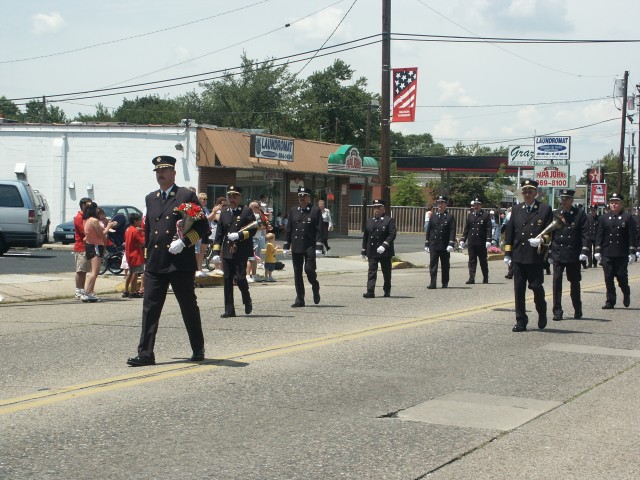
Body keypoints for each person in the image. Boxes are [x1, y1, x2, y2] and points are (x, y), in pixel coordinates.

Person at [126, 155, 209, 367]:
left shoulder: (185, 195)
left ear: (173, 173)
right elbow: (151, 231)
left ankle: (198, 347)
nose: (161, 174)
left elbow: (202, 228)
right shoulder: (150, 198)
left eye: (164, 170)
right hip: (155, 263)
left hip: (179, 263)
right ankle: (145, 353)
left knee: (188, 307)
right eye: (157, 171)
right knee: (149, 308)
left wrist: (184, 242)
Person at [504, 179, 553, 332]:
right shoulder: (516, 209)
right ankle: (521, 321)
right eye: (524, 191)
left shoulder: (544, 209)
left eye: (530, 191)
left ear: (535, 193)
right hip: (519, 255)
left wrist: (540, 240)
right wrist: (507, 253)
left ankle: (542, 310)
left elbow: (551, 232)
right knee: (519, 290)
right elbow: (510, 232)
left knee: (536, 287)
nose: (527, 194)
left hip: (534, 257)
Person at [211, 186, 257, 318]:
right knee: (227, 279)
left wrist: (239, 235)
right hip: (227, 250)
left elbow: (254, 228)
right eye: (229, 196)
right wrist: (215, 252)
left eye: (234, 196)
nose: (232, 199)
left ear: (240, 197)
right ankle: (229, 309)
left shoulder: (246, 211)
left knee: (240, 277)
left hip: (241, 249)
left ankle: (246, 298)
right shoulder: (224, 212)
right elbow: (219, 234)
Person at [549, 189, 589, 321]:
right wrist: (549, 252)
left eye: (566, 199)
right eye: (562, 199)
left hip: (572, 254)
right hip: (558, 252)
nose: (564, 201)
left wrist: (584, 250)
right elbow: (551, 233)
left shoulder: (579, 214)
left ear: (572, 200)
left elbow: (584, 234)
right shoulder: (556, 213)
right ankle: (557, 310)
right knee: (557, 282)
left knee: (574, 282)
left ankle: (577, 307)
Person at [283, 186, 323, 307]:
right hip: (296, 246)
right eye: (300, 196)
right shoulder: (294, 210)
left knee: (309, 270)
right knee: (297, 272)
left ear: (309, 198)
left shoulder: (315, 211)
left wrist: (319, 247)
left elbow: (319, 230)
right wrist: (286, 245)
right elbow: (289, 229)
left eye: (304, 196)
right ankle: (300, 299)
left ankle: (315, 286)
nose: (302, 198)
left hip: (309, 245)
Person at [595, 192, 637, 309]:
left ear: (621, 204)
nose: (614, 205)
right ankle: (610, 301)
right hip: (607, 252)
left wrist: (632, 251)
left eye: (616, 203)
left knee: (621, 276)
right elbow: (600, 234)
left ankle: (626, 292)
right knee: (608, 277)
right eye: (612, 203)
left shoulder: (627, 217)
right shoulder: (604, 218)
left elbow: (631, 235)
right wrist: (597, 250)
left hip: (621, 253)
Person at [361, 199, 397, 298]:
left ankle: (387, 290)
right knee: (372, 271)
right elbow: (366, 236)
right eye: (375, 207)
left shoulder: (389, 220)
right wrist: (364, 250)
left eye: (378, 207)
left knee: (386, 272)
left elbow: (392, 234)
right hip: (372, 250)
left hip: (384, 251)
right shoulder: (370, 221)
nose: (376, 209)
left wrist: (384, 245)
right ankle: (370, 291)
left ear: (383, 209)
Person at [82, 202, 117, 303]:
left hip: (89, 245)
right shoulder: (94, 221)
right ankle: (87, 292)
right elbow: (101, 235)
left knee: (94, 271)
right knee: (95, 271)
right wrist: (109, 226)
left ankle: (90, 292)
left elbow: (86, 236)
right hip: (96, 245)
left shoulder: (86, 220)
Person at [424, 195, 456, 289]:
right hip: (434, 244)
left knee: (445, 265)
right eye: (438, 203)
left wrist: (451, 243)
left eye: (442, 203)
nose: (440, 205)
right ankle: (432, 283)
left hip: (444, 244)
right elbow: (429, 230)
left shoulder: (450, 217)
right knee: (433, 264)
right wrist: (427, 243)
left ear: (445, 204)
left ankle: (444, 282)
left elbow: (452, 230)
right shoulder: (433, 216)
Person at [459, 197, 492, 284]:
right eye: (475, 205)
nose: (476, 206)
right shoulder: (470, 215)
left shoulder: (485, 215)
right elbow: (467, 228)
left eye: (478, 205)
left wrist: (488, 240)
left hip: (481, 242)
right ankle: (471, 278)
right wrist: (463, 239)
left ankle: (485, 277)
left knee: (483, 261)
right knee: (472, 261)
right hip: (472, 241)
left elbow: (488, 228)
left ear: (481, 205)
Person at [73, 197, 92, 300]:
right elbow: (85, 231)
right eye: (89, 205)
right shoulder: (79, 217)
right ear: (83, 205)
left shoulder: (86, 217)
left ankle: (82, 289)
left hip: (87, 247)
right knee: (80, 270)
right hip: (81, 247)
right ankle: (78, 290)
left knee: (84, 271)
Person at [123, 212, 145, 298]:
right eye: (139, 220)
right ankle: (133, 291)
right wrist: (143, 234)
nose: (140, 222)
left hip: (129, 253)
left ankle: (126, 290)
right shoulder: (135, 231)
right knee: (135, 273)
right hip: (135, 254)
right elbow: (142, 242)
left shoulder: (128, 229)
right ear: (135, 221)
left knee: (130, 272)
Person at [246, 201, 268, 283]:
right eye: (257, 207)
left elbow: (261, 225)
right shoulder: (252, 216)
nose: (259, 208)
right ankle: (248, 275)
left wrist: (265, 226)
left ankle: (254, 274)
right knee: (251, 258)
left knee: (254, 258)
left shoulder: (258, 215)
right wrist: (264, 227)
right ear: (253, 208)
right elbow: (258, 227)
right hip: (253, 238)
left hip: (257, 238)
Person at [206, 196, 227, 274]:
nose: (225, 207)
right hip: (215, 235)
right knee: (217, 251)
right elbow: (219, 219)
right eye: (223, 205)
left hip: (223, 234)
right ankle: (217, 268)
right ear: (219, 205)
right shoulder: (217, 212)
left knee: (222, 252)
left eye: (226, 205)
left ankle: (221, 268)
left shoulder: (225, 212)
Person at [195, 192, 211, 278]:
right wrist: (215, 211)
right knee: (198, 252)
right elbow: (206, 218)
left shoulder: (206, 209)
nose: (205, 201)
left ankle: (200, 269)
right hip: (200, 232)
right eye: (203, 199)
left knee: (202, 252)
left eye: (206, 199)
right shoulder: (198, 208)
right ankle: (197, 269)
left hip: (206, 232)